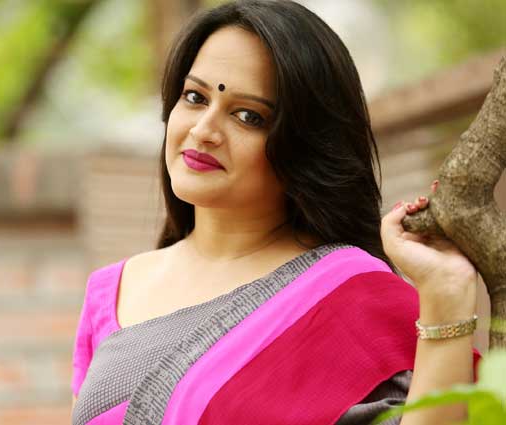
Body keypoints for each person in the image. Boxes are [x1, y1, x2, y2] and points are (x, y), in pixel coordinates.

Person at [70, 1, 480, 424]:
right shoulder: (111, 290)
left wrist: (446, 295)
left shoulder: (348, 296)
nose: (204, 130)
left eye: (248, 116)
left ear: (303, 146)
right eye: (195, 97)